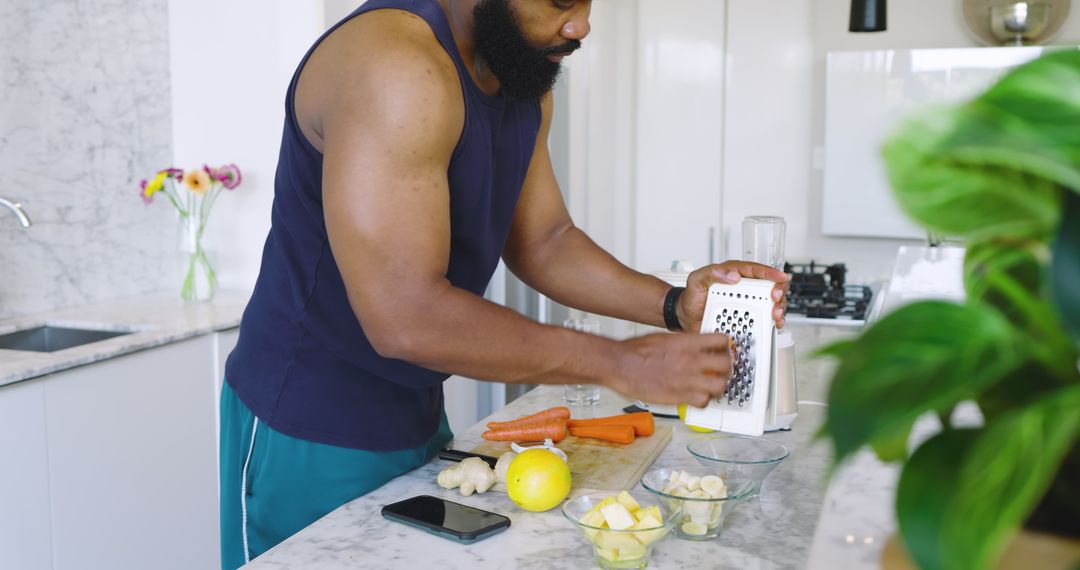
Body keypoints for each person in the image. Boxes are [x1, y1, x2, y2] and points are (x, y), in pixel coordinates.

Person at [219, 0, 790, 567]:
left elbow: (545, 240)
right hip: (305, 425)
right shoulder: (394, 66)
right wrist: (621, 363)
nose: (582, 24)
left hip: (416, 413)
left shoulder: (519, 73)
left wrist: (673, 307)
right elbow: (406, 315)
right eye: (561, 1)